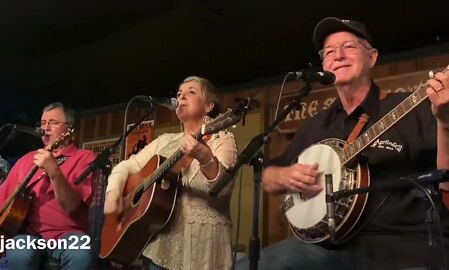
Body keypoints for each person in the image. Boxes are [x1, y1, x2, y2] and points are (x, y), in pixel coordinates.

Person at [235, 17, 449, 269]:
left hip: (403, 247)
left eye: (349, 46)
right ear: (324, 64)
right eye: (328, 52)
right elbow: (269, 176)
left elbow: (445, 182)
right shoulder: (317, 125)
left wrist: (445, 124)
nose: (338, 55)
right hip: (328, 248)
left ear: (372, 57)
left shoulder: (414, 108)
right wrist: (286, 176)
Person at [104, 76, 238, 270]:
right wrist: (114, 192)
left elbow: (223, 190)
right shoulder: (164, 141)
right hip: (159, 252)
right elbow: (126, 166)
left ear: (209, 106)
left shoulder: (220, 138)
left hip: (201, 254)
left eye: (191, 92)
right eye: (179, 94)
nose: (181, 96)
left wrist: (204, 156)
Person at [0, 102, 97, 270]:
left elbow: (71, 206)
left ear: (69, 130)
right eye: (43, 123)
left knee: (82, 252)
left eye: (53, 122)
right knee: (17, 250)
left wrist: (53, 170)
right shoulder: (27, 159)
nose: (46, 127)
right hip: (31, 236)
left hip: (70, 235)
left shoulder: (85, 158)